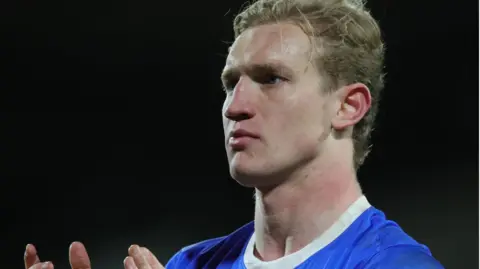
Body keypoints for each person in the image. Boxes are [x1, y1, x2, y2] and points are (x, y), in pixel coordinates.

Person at [24, 0, 445, 268]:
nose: (234, 106)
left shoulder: (394, 264)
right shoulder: (191, 264)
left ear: (347, 106)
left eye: (272, 79)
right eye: (231, 83)